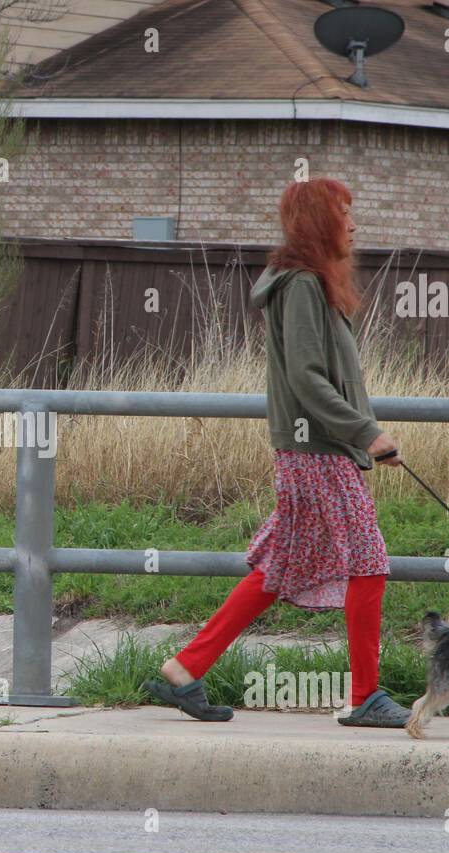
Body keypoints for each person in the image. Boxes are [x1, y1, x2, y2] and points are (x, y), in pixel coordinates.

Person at [142, 177, 412, 728]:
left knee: (280, 568)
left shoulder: (310, 283)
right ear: (320, 223)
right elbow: (308, 379)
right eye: (344, 214)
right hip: (316, 451)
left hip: (315, 451)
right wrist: (367, 433)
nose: (354, 225)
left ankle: (184, 668)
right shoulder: (302, 287)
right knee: (368, 563)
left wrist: (358, 439)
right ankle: (366, 696)